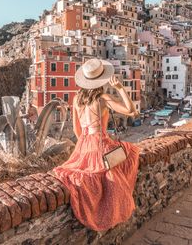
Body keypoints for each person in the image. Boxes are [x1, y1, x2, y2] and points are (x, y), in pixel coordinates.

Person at [49, 58, 140, 232]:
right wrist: (120, 89)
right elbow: (131, 111)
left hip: (83, 145)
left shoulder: (76, 99)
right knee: (131, 152)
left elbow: (77, 131)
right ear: (101, 80)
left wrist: (85, 147)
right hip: (101, 143)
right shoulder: (103, 98)